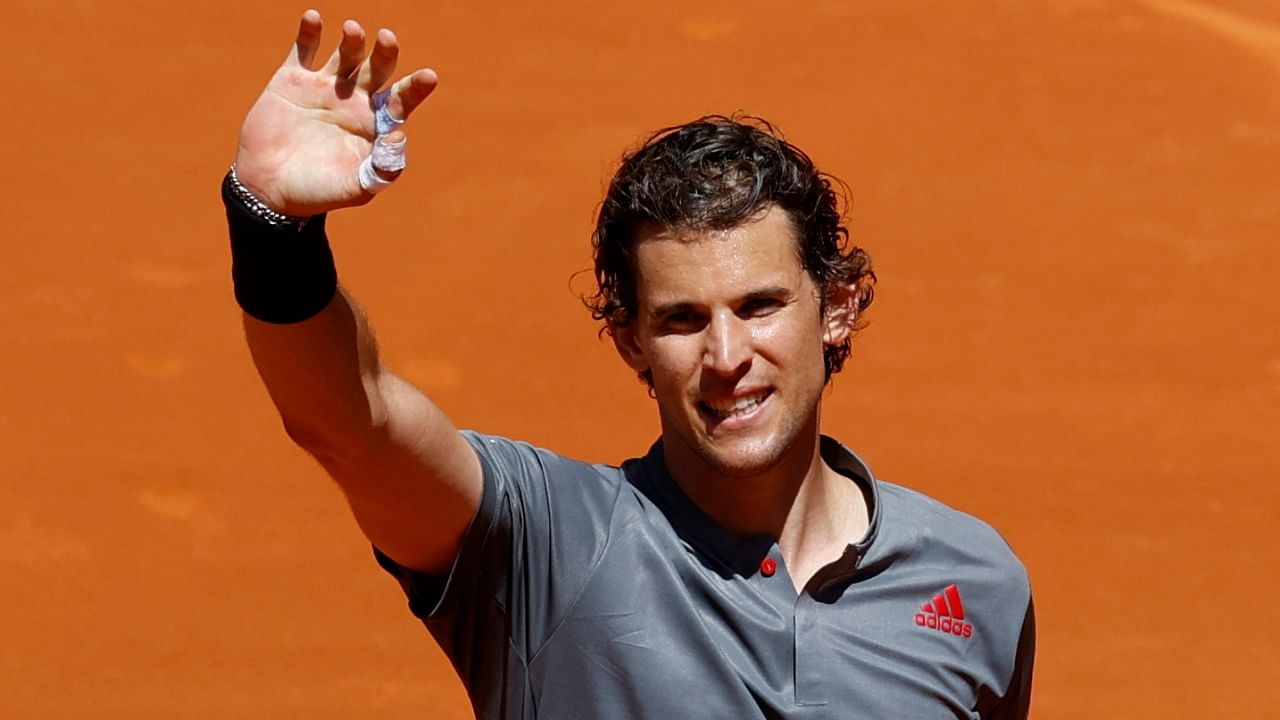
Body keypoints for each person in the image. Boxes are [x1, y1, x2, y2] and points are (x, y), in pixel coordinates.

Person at [224, 10, 1035, 719]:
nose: (726, 358)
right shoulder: (545, 548)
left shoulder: (972, 585)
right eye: (682, 320)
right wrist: (272, 230)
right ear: (629, 341)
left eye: (759, 307)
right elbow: (348, 422)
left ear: (839, 307)